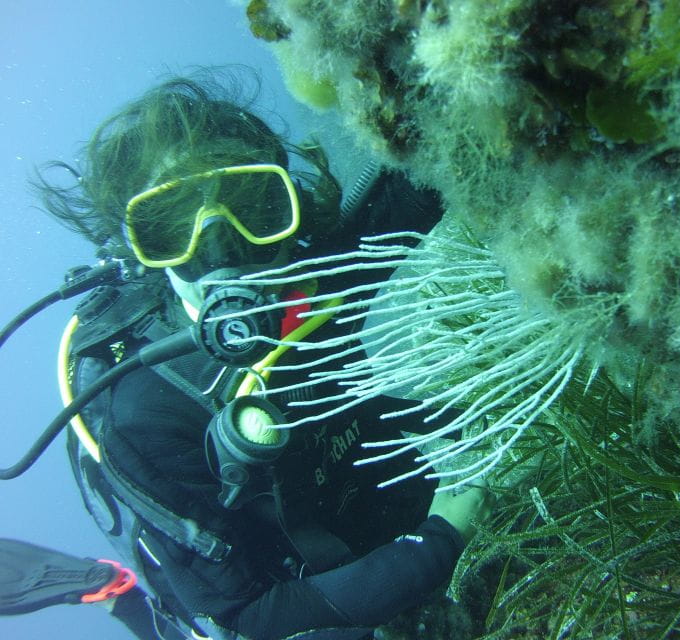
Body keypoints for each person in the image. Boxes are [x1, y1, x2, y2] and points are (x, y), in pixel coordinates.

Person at [4, 69, 492, 640]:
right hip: (266, 586)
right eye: (171, 228)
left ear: (288, 208)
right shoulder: (142, 412)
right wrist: (443, 537)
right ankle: (110, 592)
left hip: (352, 486)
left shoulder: (319, 278)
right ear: (142, 255)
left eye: (252, 206)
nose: (220, 250)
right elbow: (246, 617)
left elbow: (430, 163)